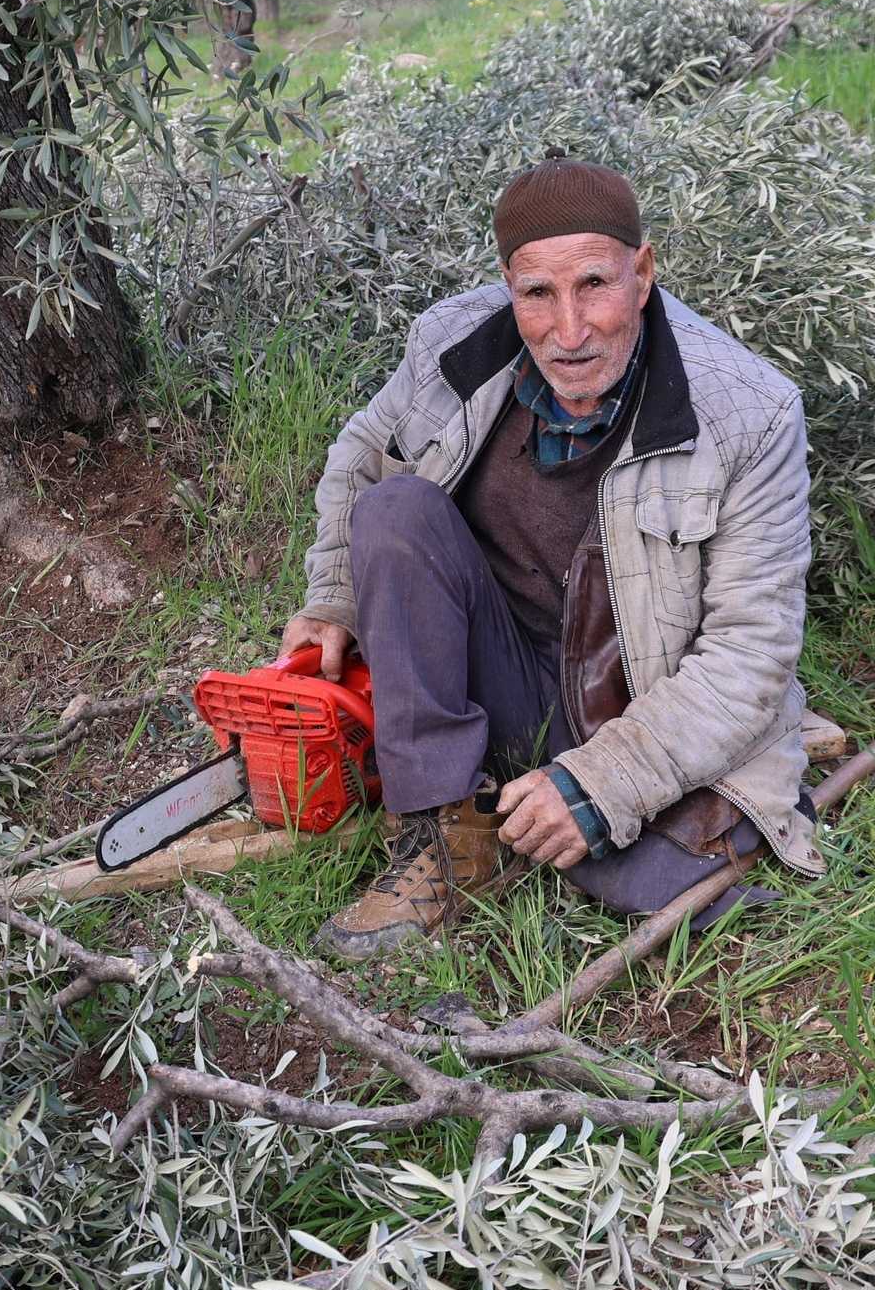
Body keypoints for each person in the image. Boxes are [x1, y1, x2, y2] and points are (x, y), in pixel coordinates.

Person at [283, 157, 820, 961]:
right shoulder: (452, 345)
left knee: (650, 875)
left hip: (630, 698)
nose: (569, 332)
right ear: (509, 284)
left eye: (595, 285)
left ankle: (545, 798)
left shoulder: (752, 413)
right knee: (395, 509)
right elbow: (363, 454)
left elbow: (752, 654)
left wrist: (602, 782)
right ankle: (444, 830)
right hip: (494, 660)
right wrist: (331, 597)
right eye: (538, 293)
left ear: (643, 273)